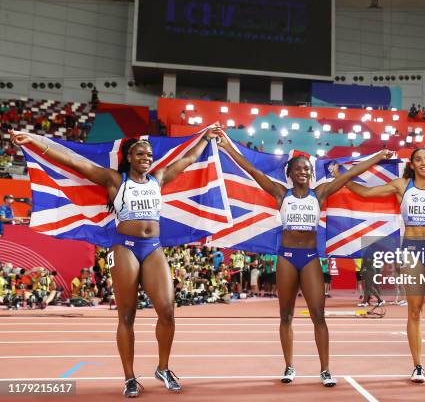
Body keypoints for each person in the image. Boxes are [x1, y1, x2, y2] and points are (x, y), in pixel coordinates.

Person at [11, 124, 221, 397]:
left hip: (153, 247)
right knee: (127, 315)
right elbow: (75, 162)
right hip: (125, 248)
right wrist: (36, 142)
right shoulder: (115, 180)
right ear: (129, 158)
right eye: (140, 154)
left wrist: (206, 137)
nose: (146, 158)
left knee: (167, 311)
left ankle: (163, 368)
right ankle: (130, 378)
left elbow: (189, 159)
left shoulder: (159, 177)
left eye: (149, 155)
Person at [218, 134, 392, 387]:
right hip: (287, 257)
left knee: (318, 316)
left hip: (310, 258)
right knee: (286, 316)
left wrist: (378, 156)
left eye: (307, 169)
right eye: (298, 168)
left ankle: (325, 369)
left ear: (311, 175)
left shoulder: (320, 194)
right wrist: (227, 147)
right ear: (290, 173)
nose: (303, 172)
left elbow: (349, 175)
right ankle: (289, 366)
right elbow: (251, 169)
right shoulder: (280, 193)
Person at [332, 148, 425, 387]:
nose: (424, 162)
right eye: (418, 159)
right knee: (415, 310)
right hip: (411, 250)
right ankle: (418, 366)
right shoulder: (401, 186)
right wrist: (343, 176)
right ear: (412, 163)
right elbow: (366, 192)